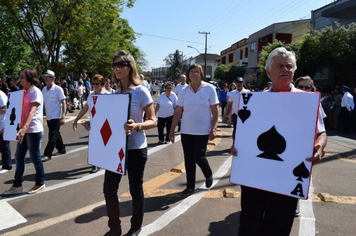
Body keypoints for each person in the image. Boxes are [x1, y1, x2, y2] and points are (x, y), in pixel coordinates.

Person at [231, 47, 327, 236]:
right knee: (248, 226)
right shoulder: (254, 100)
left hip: (286, 180)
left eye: (289, 66)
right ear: (268, 70)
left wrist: (320, 147)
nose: (285, 69)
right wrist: (237, 145)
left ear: (294, 71)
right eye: (279, 65)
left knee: (278, 228)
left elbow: (322, 133)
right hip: (254, 177)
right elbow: (245, 133)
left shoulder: (307, 100)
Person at [92, 50, 156, 236]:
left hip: (135, 148)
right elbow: (109, 121)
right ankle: (114, 228)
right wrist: (93, 124)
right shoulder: (115, 92)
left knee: (136, 189)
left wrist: (137, 126)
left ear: (130, 67)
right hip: (115, 148)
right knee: (109, 189)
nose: (117, 68)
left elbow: (153, 121)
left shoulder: (141, 91)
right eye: (114, 65)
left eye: (121, 64)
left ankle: (136, 227)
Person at [169, 64, 219, 197]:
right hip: (186, 130)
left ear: (201, 74)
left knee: (198, 156)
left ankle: (208, 174)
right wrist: (172, 129)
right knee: (188, 159)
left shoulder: (209, 88)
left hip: (202, 131)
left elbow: (215, 110)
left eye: (197, 71)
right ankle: (190, 186)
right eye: (191, 72)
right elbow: (178, 111)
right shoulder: (184, 91)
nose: (194, 74)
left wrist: (213, 128)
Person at [2, 68, 46, 195]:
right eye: (19, 76)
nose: (19, 79)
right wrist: (9, 126)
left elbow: (32, 111)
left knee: (34, 156)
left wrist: (24, 127)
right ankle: (17, 185)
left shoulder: (35, 92)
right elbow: (16, 112)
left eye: (22, 77)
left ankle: (40, 182)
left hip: (33, 129)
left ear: (30, 78)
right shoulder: (23, 92)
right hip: (23, 130)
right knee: (19, 156)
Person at [73, 74, 109, 174]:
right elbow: (85, 108)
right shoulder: (92, 95)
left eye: (97, 84)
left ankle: (106, 161)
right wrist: (76, 119)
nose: (94, 86)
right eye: (93, 83)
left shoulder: (108, 95)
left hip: (106, 124)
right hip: (95, 124)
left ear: (102, 84)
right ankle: (95, 164)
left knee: (105, 144)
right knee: (94, 144)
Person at [41, 70, 67, 162]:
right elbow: (43, 103)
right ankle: (61, 149)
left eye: (48, 77)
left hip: (56, 116)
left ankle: (47, 153)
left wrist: (63, 116)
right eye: (44, 77)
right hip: (48, 116)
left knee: (52, 135)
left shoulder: (58, 89)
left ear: (52, 78)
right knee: (56, 133)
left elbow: (63, 102)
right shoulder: (44, 89)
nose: (46, 79)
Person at [0, 89, 12, 174]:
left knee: (4, 146)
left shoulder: (1, 95)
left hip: (3, 124)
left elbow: (6, 109)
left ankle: (7, 166)